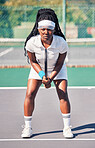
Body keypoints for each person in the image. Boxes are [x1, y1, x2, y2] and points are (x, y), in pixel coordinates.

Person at [21, 8, 73, 138]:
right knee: (29, 94)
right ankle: (27, 127)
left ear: (54, 29)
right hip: (38, 70)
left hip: (57, 70)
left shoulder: (61, 42)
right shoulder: (31, 42)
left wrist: (50, 78)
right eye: (43, 29)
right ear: (38, 29)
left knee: (63, 94)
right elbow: (32, 61)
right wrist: (42, 76)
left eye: (49, 29)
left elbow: (60, 63)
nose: (46, 32)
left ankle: (67, 128)